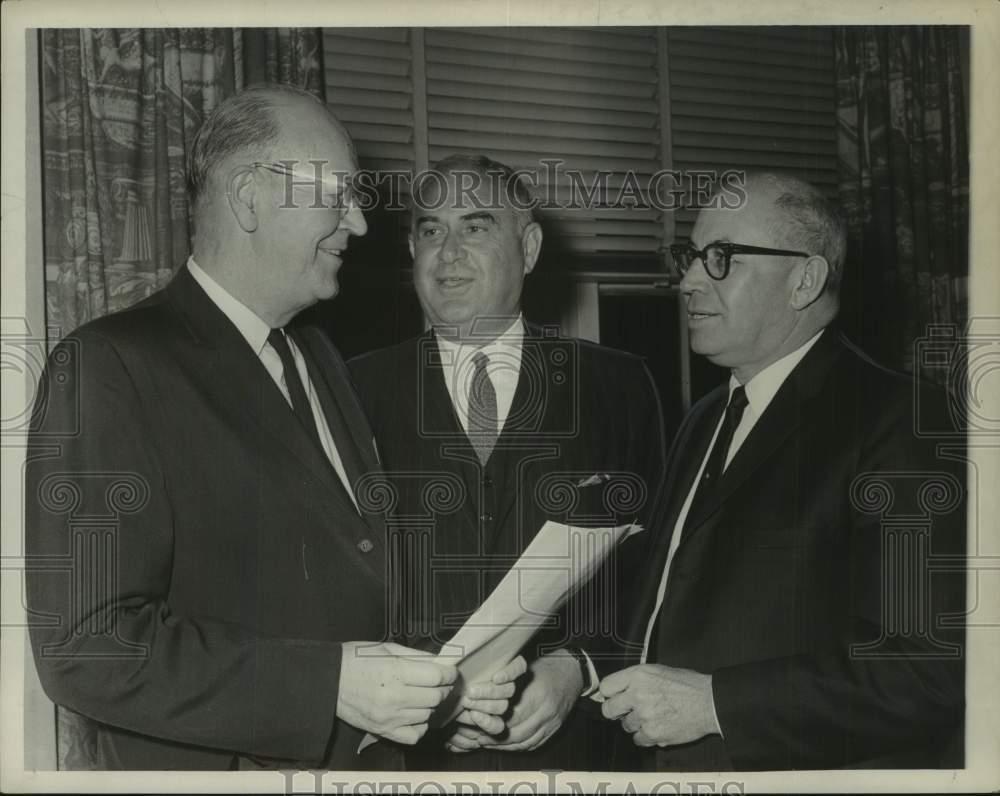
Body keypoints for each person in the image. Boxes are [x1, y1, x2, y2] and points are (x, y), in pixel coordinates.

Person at [24, 85, 517, 771]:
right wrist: (331, 687)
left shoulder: (317, 355)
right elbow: (87, 647)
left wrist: (436, 687)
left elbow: (346, 586)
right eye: (338, 194)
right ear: (250, 195)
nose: (361, 224)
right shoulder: (111, 365)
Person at [599, 172, 966, 770]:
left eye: (721, 258)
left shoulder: (904, 422)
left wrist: (718, 705)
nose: (688, 280)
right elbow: (665, 601)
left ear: (805, 279)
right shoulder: (703, 419)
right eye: (689, 256)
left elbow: (930, 671)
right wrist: (577, 669)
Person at [348, 154, 666, 770]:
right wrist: (424, 699)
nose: (449, 251)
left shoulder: (619, 385)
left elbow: (654, 571)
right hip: (410, 759)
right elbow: (332, 579)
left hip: (574, 750)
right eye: (431, 230)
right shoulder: (351, 391)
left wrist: (580, 667)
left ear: (530, 246)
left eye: (476, 226)